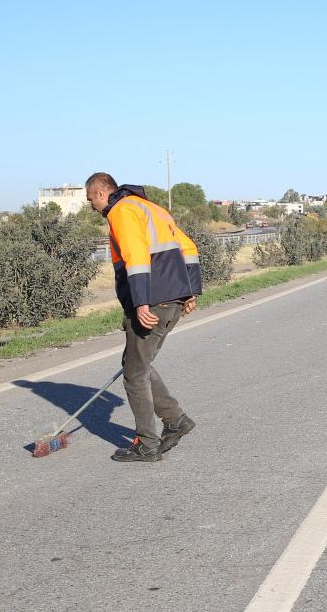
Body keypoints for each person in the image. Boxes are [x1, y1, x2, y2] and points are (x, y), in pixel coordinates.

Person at [86, 173, 201, 463]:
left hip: (153, 301)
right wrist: (189, 292)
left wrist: (140, 302)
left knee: (134, 373)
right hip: (172, 298)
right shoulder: (152, 209)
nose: (92, 208)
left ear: (101, 193)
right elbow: (188, 248)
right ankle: (175, 420)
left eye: (91, 201)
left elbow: (136, 256)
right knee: (138, 363)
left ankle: (147, 444)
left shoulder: (122, 211)